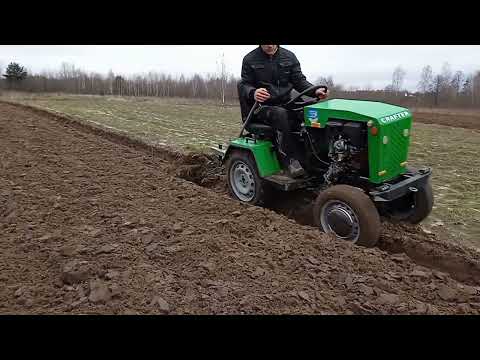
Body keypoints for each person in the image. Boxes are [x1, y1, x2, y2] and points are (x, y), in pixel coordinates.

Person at [237, 45, 328, 178]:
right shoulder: (249, 59)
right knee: (280, 114)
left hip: (287, 103)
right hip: (262, 108)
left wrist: (315, 91)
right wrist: (253, 92)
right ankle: (291, 160)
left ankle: (318, 159)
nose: (269, 45)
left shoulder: (289, 56)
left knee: (311, 113)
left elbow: (299, 81)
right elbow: (245, 84)